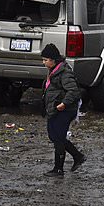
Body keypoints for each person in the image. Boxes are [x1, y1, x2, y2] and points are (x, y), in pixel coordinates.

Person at [41, 43, 86, 177]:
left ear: (53, 60)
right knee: (53, 135)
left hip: (64, 110)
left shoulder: (64, 72)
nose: (43, 62)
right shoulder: (53, 71)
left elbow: (73, 91)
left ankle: (58, 169)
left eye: (45, 60)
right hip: (54, 109)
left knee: (59, 137)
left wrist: (64, 104)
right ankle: (77, 156)